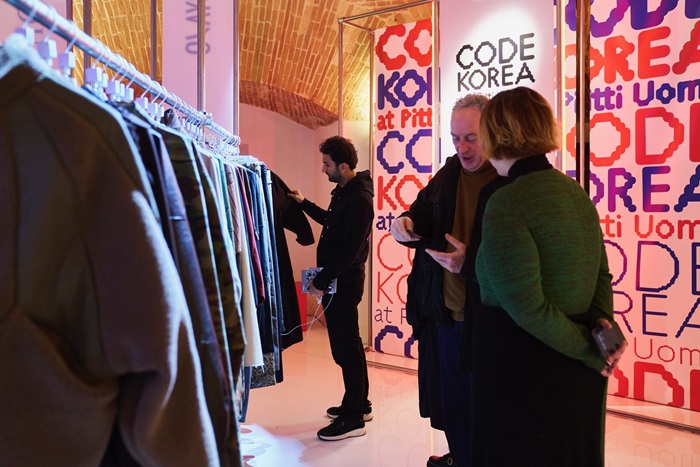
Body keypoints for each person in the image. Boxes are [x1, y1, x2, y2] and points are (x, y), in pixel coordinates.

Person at [470, 86, 627, 466]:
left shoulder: (507, 201)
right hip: (576, 374)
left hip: (525, 372)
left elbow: (526, 306)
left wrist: (588, 352)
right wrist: (602, 330)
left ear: (495, 134)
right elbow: (601, 274)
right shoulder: (574, 192)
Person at [390, 94, 500, 467]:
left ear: (492, 131)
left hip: (489, 320)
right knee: (453, 407)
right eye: (455, 138)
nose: (462, 148)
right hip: (445, 315)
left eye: (470, 138)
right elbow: (420, 213)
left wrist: (472, 263)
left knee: (489, 411)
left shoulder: (507, 178)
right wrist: (405, 222)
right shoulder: (449, 172)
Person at [288, 135, 374, 441]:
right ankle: (359, 404)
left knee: (346, 347)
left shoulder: (359, 199)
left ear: (344, 166)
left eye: (327, 164)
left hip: (344, 282)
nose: (323, 169)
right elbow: (330, 222)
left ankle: (354, 418)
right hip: (337, 279)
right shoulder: (345, 192)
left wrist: (323, 279)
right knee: (347, 344)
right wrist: (304, 203)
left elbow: (350, 248)